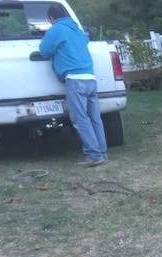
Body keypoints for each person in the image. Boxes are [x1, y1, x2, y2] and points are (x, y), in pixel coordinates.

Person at [38, 4, 108, 167]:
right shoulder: (77, 29)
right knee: (94, 118)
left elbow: (44, 50)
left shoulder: (56, 30)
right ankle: (102, 152)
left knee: (80, 119)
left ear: (51, 19)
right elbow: (84, 40)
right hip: (90, 78)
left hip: (75, 80)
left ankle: (93, 155)